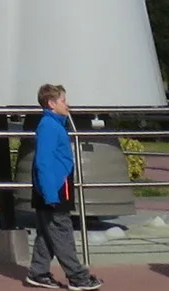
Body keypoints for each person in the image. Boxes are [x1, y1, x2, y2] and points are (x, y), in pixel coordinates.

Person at [23, 84, 103, 291]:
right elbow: (44, 161)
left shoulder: (53, 125)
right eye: (63, 100)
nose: (67, 104)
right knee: (62, 231)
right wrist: (50, 193)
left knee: (47, 232)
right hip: (54, 189)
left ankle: (38, 272)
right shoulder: (49, 127)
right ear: (51, 104)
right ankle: (78, 277)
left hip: (52, 187)